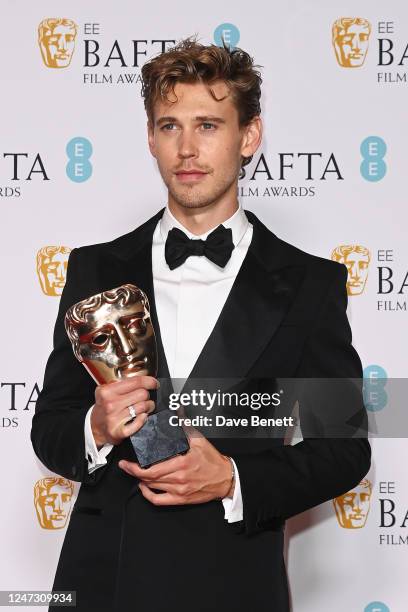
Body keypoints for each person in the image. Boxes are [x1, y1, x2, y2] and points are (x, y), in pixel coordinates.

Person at [31, 37, 371, 612]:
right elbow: (50, 428)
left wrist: (235, 479)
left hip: (233, 577)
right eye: (170, 126)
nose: (187, 148)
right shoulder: (93, 267)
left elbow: (343, 449)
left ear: (249, 136)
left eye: (209, 125)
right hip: (103, 581)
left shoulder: (311, 285)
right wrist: (95, 426)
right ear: (150, 138)